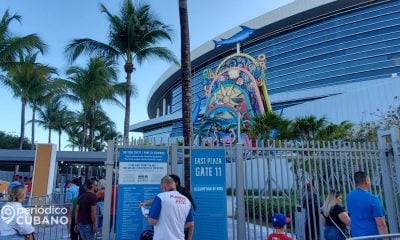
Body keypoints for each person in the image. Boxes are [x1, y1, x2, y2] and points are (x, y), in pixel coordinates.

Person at [148, 176, 194, 240]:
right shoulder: (186, 201)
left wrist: (147, 216)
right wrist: (176, 225)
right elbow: (190, 224)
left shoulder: (161, 197)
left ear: (164, 187)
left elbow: (152, 221)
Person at [346, 171, 388, 237]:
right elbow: (381, 224)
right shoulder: (373, 199)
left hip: (356, 236)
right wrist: (387, 238)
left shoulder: (349, 197)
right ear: (366, 181)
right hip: (372, 236)